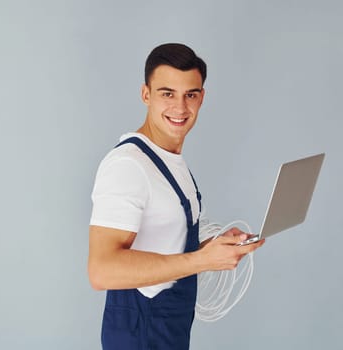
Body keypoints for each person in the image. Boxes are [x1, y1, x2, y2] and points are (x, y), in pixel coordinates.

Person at [88, 43, 264, 350]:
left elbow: (165, 242)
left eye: (190, 95)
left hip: (172, 331)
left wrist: (215, 249)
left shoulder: (171, 160)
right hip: (141, 336)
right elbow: (101, 270)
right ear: (146, 95)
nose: (180, 108)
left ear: (202, 98)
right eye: (167, 93)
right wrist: (200, 260)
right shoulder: (128, 165)